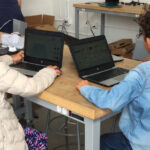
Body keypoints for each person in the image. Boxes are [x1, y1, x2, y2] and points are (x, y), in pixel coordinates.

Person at [76, 10, 150, 150]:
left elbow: (111, 101)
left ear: (148, 41)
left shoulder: (140, 74)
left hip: (140, 144)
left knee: (99, 143)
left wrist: (85, 88)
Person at [0, 50, 61, 150]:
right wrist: (49, 71)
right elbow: (31, 87)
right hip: (7, 142)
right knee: (40, 139)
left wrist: (10, 59)